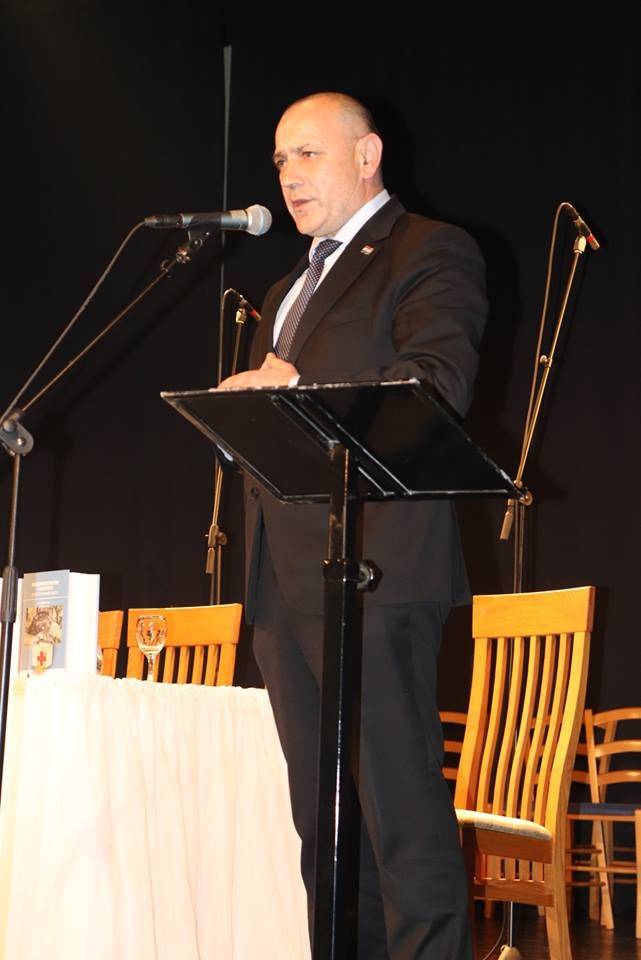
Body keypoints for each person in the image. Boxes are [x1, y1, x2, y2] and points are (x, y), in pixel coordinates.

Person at [218, 91, 487, 960]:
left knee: (400, 818)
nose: (288, 176)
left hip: (377, 571)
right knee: (324, 828)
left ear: (367, 156)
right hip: (283, 579)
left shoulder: (428, 249)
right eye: (279, 160)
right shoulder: (283, 289)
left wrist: (295, 393)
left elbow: (433, 385)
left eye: (308, 154)